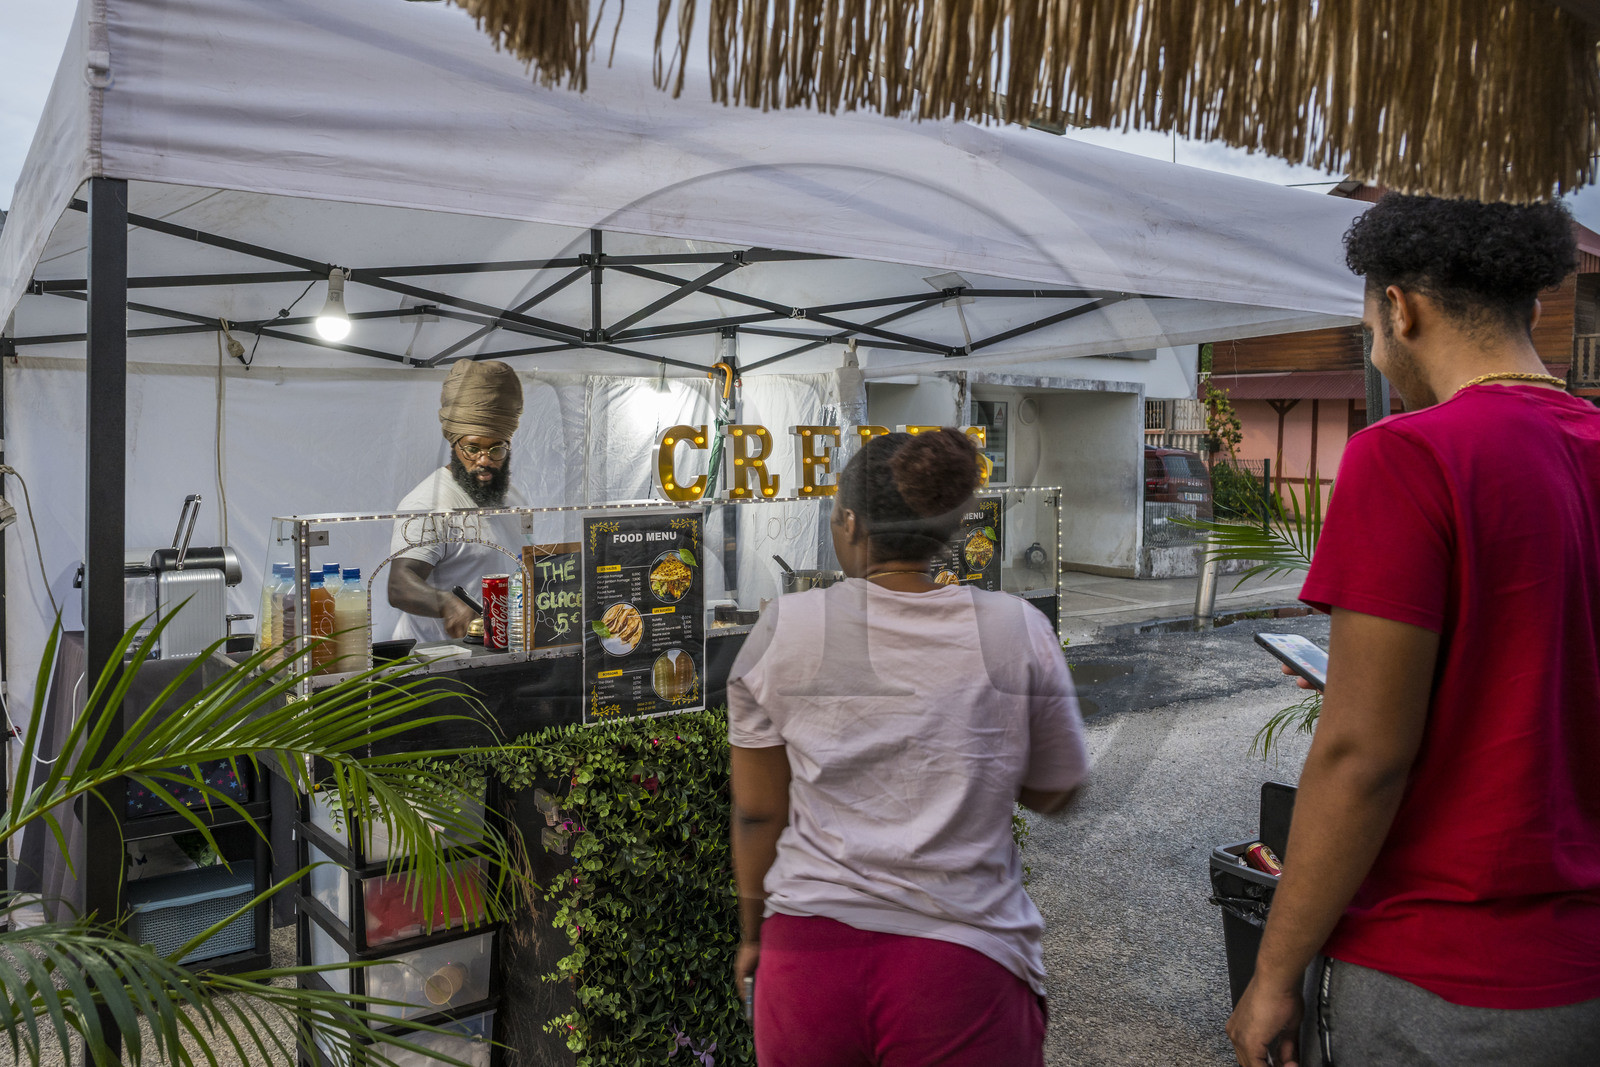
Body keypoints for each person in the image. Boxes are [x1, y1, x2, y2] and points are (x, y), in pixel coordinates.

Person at [1227, 195, 1600, 1067]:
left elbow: (1364, 754)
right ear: (1534, 308)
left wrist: (1274, 973)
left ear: (1400, 307)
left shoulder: (1409, 456)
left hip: (1448, 976)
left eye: (1369, 325)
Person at [727, 428, 1089, 1066]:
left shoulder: (784, 627)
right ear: (945, 533)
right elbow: (1057, 788)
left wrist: (752, 938)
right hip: (961, 962)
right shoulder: (1015, 627)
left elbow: (759, 812)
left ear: (850, 524)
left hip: (806, 962)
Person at [387, 359, 528, 642]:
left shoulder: (513, 496)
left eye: (496, 449)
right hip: (436, 662)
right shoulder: (428, 503)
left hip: (495, 649)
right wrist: (447, 604)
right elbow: (400, 585)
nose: (484, 461)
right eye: (472, 448)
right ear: (454, 444)